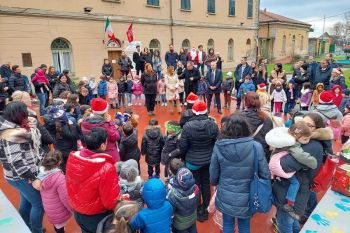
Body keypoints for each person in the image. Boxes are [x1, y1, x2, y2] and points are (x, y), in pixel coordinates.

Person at [210, 113, 270, 233]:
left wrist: (215, 182)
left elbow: (213, 173)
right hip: (248, 194)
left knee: (227, 223)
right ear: (246, 128)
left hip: (225, 192)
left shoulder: (219, 146)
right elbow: (265, 173)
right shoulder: (255, 146)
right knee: (244, 224)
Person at [0, 102, 45, 233]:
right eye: (25, 112)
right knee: (39, 204)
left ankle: (26, 226)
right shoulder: (10, 136)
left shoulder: (18, 128)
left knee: (27, 202)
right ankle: (36, 230)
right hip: (20, 176)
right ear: (18, 115)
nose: (28, 113)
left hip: (23, 173)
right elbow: (16, 162)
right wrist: (33, 178)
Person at [66, 127, 120, 233]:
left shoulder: (73, 158)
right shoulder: (106, 167)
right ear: (103, 145)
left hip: (78, 212)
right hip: (96, 216)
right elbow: (110, 202)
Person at [272, 128, 324, 233]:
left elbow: (286, 164)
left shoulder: (309, 146)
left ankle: (289, 202)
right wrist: (312, 162)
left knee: (285, 224)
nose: (307, 140)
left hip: (288, 194)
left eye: (310, 125)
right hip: (297, 192)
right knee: (291, 221)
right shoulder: (298, 145)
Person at [266, 122, 317, 220]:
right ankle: (290, 202)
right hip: (277, 165)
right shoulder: (293, 144)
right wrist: (313, 162)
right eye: (305, 139)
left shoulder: (285, 138)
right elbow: (300, 155)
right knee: (295, 183)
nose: (307, 141)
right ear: (296, 136)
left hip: (274, 161)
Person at [179, 101, 219, 222]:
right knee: (206, 183)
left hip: (192, 161)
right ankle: (206, 206)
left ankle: (197, 207)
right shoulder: (212, 125)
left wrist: (184, 157)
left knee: (195, 185)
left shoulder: (187, 127)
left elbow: (183, 145)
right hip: (208, 160)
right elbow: (216, 142)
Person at [38, 150, 72, 233]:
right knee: (60, 226)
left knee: (58, 226)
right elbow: (65, 198)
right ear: (59, 163)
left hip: (50, 209)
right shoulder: (60, 178)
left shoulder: (40, 174)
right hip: (60, 211)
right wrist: (73, 210)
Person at [81, 98, 121, 162]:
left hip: (91, 154)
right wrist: (110, 122)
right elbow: (116, 137)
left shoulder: (85, 122)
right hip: (108, 154)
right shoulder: (105, 125)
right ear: (105, 112)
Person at [45, 105, 79, 172]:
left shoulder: (49, 125)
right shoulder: (63, 126)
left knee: (62, 165)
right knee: (69, 166)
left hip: (58, 148)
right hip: (68, 150)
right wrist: (72, 125)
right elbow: (72, 135)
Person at [241, 92, 274, 161]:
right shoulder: (267, 119)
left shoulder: (238, 118)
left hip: (242, 153)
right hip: (260, 153)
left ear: (245, 102)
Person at [167, 167, 200, 233]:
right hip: (192, 217)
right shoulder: (196, 189)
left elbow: (171, 212)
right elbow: (197, 202)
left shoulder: (173, 195)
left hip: (180, 224)